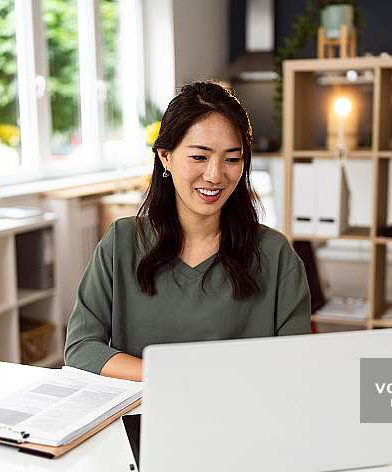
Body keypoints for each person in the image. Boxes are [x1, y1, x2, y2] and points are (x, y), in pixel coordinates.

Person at [64, 81, 311, 381]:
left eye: (232, 159)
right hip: (144, 419)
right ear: (165, 156)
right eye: (199, 157)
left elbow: (295, 366)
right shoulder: (121, 242)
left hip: (239, 420)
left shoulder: (275, 255)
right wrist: (178, 377)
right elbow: (81, 347)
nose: (215, 175)